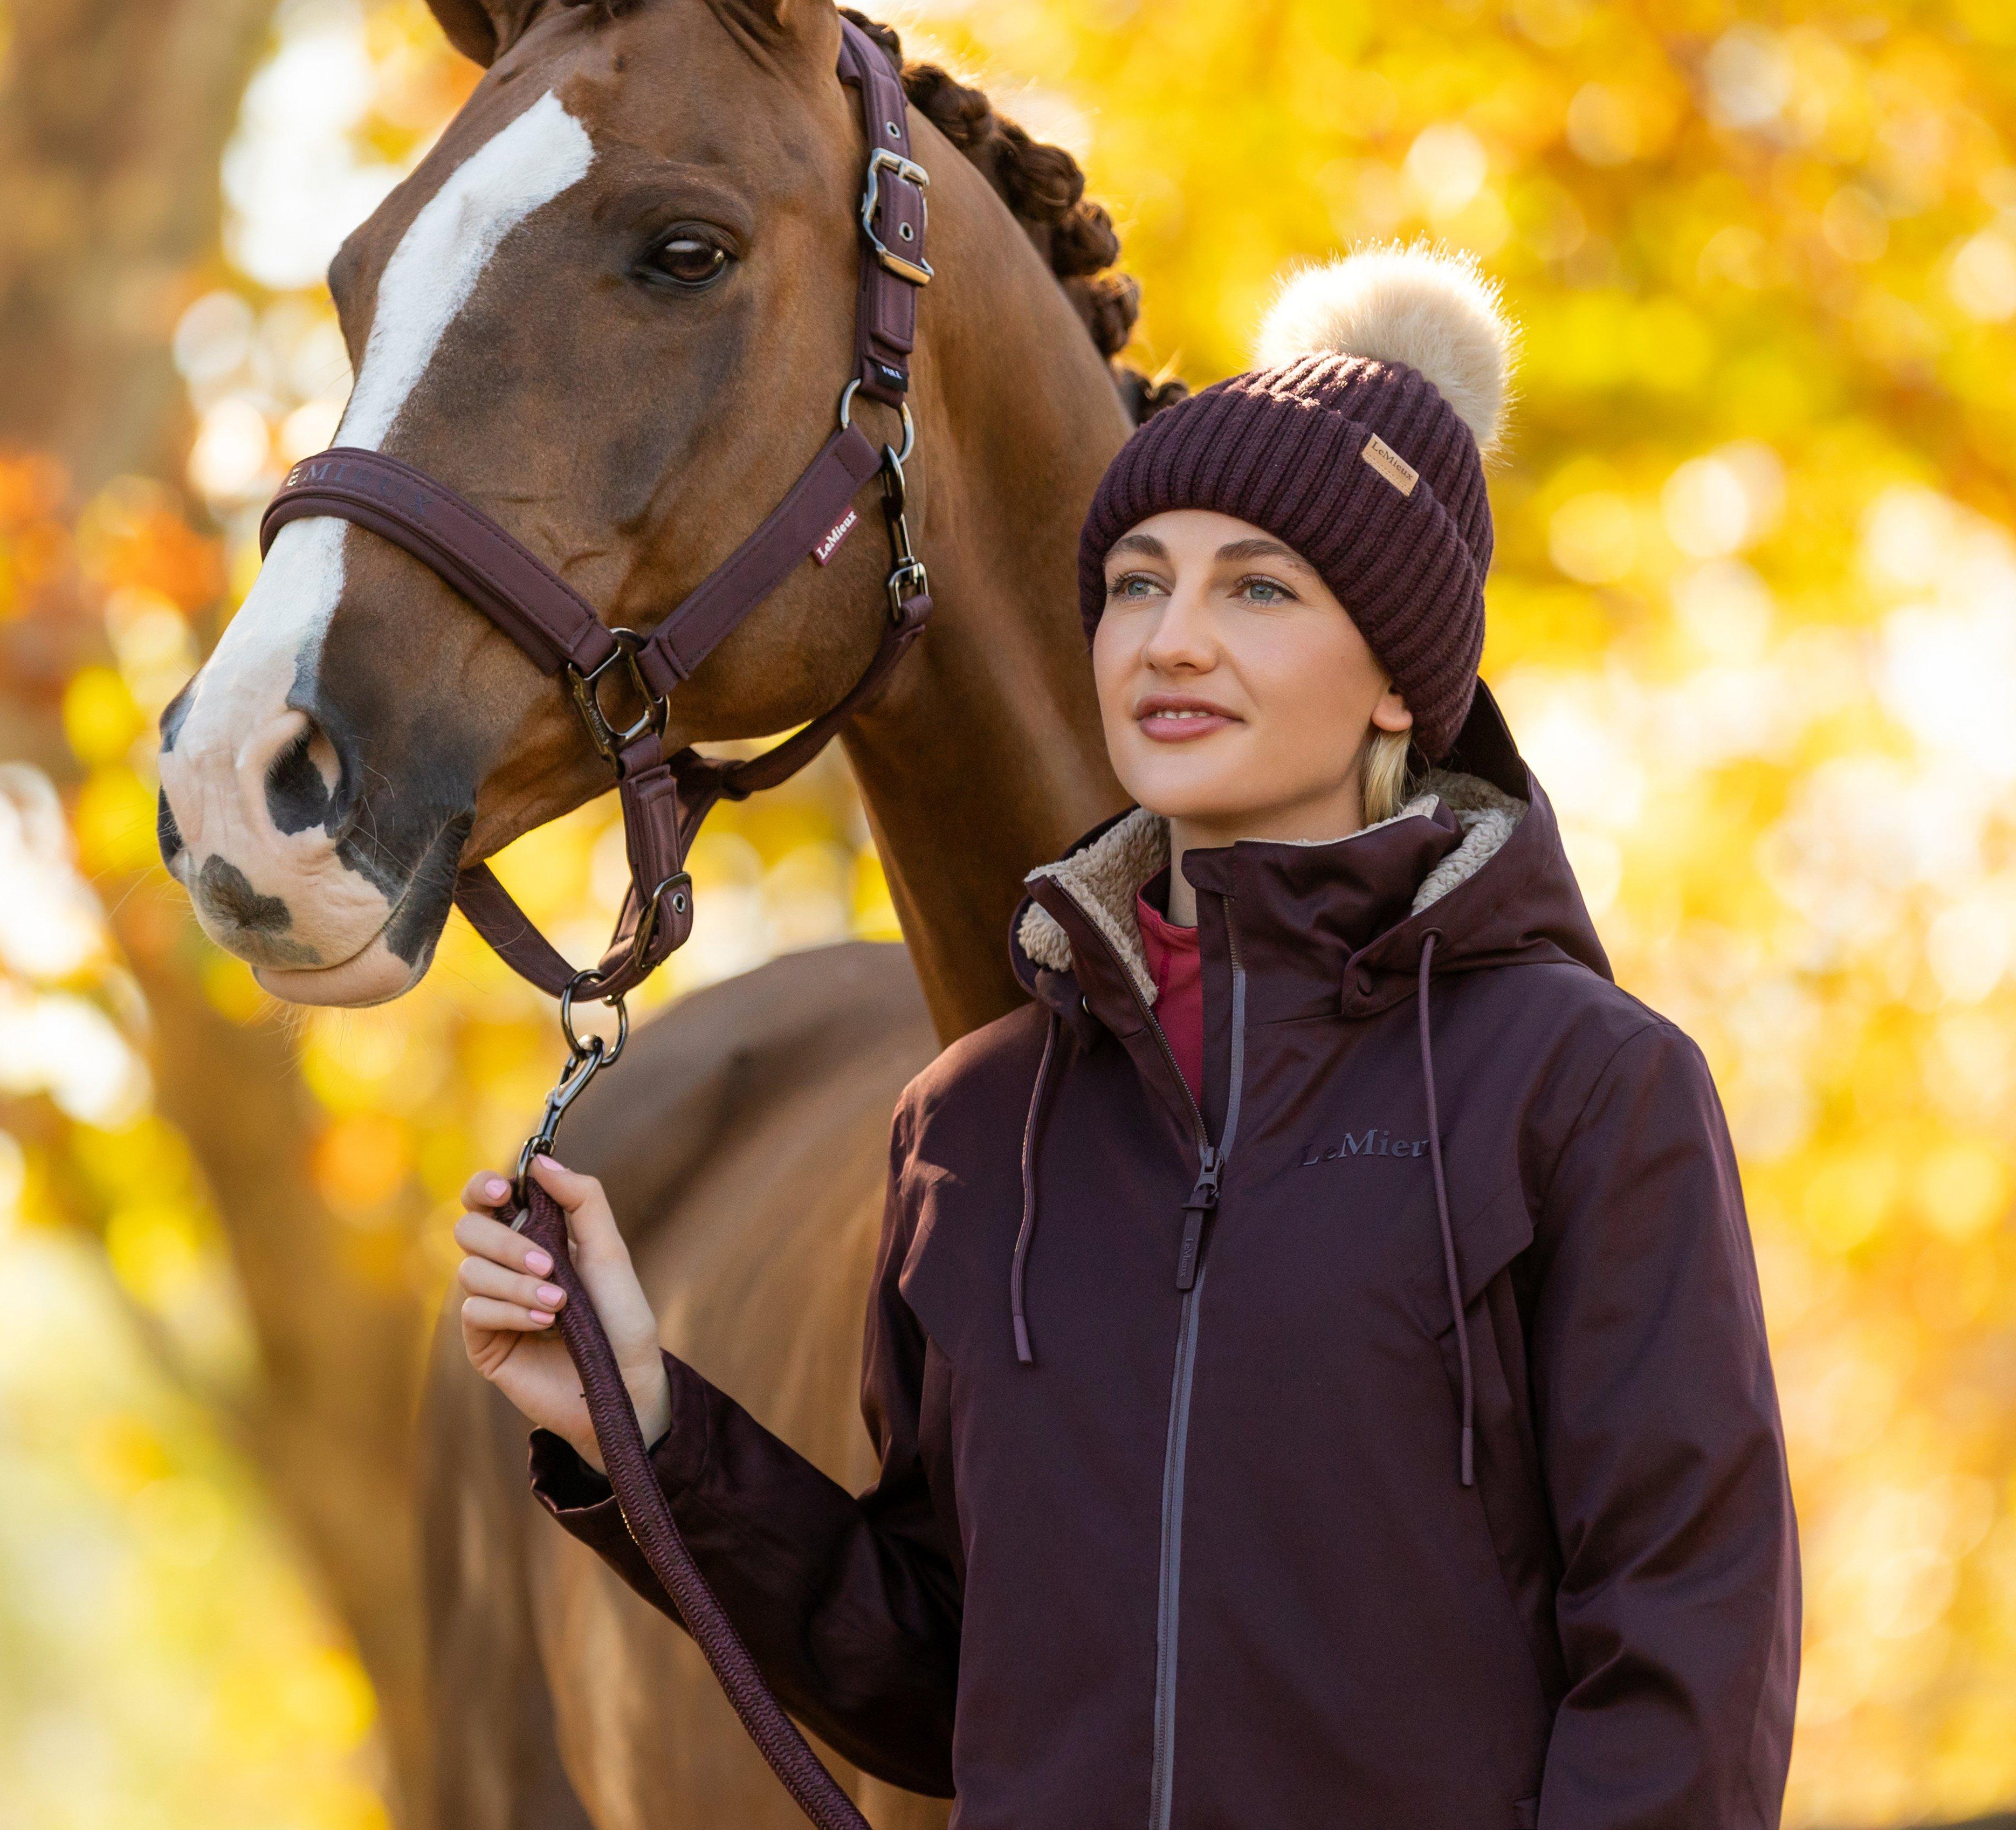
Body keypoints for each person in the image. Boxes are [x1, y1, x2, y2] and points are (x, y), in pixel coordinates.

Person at [451, 242, 1801, 1828]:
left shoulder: (1584, 1091)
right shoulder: (970, 1129)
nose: (1170, 640)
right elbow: (949, 1680)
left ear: (1398, 681)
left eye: (1259, 589)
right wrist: (644, 1421)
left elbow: (1684, 1661)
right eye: (1137, 585)